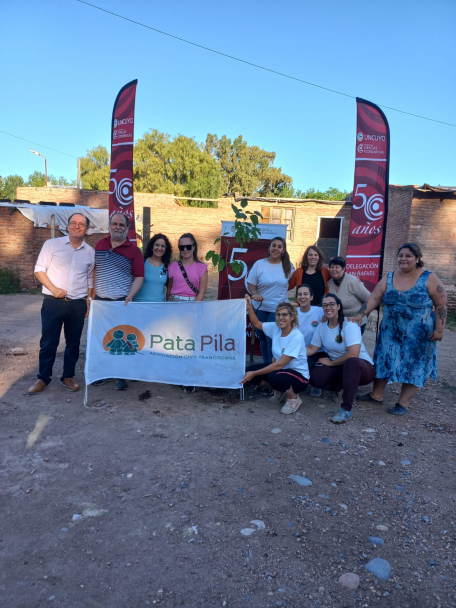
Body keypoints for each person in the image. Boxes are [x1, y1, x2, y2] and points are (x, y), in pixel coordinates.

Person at [351, 242, 447, 416]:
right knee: (384, 360)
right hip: (390, 332)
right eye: (401, 255)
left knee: (414, 365)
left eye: (408, 256)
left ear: (417, 259)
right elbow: (374, 297)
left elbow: (441, 304)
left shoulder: (428, 277)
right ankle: (376, 394)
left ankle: (403, 402)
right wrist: (360, 315)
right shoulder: (389, 277)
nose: (404, 259)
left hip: (418, 334)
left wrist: (440, 329)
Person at [29, 212, 95, 394]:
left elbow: (89, 280)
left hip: (77, 304)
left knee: (73, 343)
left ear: (87, 230)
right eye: (73, 223)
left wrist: (88, 302)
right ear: (67, 226)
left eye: (81, 224)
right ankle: (43, 379)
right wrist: (54, 289)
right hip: (53, 302)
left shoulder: (90, 252)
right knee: (49, 341)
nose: (77, 226)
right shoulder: (51, 245)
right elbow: (39, 270)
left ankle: (68, 377)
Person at [92, 212, 144, 391]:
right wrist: (91, 295)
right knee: (101, 338)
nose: (118, 227)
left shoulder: (134, 251)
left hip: (122, 302)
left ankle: (121, 376)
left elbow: (139, 277)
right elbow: (94, 271)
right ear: (109, 225)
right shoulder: (99, 245)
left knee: (121, 340)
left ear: (127, 228)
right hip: (100, 301)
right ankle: (103, 373)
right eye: (115, 224)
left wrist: (130, 296)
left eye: (122, 225)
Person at [306, 293, 375, 424]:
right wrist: (288, 352)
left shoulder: (349, 324)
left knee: (351, 362)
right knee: (316, 378)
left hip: (362, 368)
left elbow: (354, 354)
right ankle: (342, 386)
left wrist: (331, 364)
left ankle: (346, 409)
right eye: (325, 305)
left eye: (332, 304)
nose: (328, 307)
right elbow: (311, 349)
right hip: (340, 367)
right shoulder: (321, 327)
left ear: (338, 306)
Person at [241, 295, 309, 415]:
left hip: (299, 378)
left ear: (292, 317)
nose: (280, 318)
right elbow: (257, 323)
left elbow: (280, 364)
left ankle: (293, 398)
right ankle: (280, 389)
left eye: (284, 315)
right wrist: (250, 307)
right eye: (278, 314)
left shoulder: (296, 336)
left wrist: (255, 373)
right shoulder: (275, 328)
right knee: (247, 371)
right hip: (280, 371)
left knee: (272, 375)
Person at [167, 233, 208, 393]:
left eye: (188, 247)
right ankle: (178, 374)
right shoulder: (172, 266)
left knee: (190, 343)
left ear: (193, 247)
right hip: (175, 305)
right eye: (181, 247)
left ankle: (190, 377)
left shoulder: (201, 268)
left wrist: (193, 309)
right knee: (176, 341)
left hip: (193, 305)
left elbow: (202, 291)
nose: (185, 250)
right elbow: (169, 288)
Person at [247, 237, 295, 364]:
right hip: (260, 307)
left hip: (278, 309)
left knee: (271, 338)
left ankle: (272, 367)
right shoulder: (259, 264)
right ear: (269, 248)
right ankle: (265, 366)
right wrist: (255, 293)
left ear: (283, 250)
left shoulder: (288, 266)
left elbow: (291, 283)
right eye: (274, 245)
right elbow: (251, 283)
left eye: (280, 246)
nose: (276, 249)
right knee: (262, 338)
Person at [327, 256, 371, 334]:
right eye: (332, 267)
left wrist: (361, 315)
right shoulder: (329, 283)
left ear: (343, 269)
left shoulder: (352, 281)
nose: (334, 269)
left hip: (355, 322)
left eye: (337, 267)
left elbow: (369, 299)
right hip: (338, 323)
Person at [295, 283, 325, 396]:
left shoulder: (319, 311)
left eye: (306, 294)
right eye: (300, 294)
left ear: (311, 297)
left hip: (317, 351)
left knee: (315, 370)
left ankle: (316, 384)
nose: (302, 297)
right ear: (297, 297)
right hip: (298, 350)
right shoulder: (293, 313)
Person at [134, 233, 172, 302]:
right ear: (152, 246)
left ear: (166, 249)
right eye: (157, 245)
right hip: (140, 306)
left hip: (159, 308)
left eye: (163, 246)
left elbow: (169, 288)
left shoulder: (167, 266)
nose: (159, 248)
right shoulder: (142, 262)